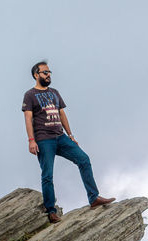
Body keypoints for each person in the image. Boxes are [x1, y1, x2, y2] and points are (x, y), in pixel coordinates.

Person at [22, 61, 115, 223]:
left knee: (84, 160)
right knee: (47, 175)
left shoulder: (55, 93)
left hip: (61, 137)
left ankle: (94, 198)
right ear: (36, 75)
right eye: (44, 72)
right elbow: (28, 118)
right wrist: (31, 140)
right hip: (44, 139)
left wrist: (70, 135)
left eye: (49, 72)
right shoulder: (29, 95)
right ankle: (51, 211)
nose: (48, 75)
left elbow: (62, 114)